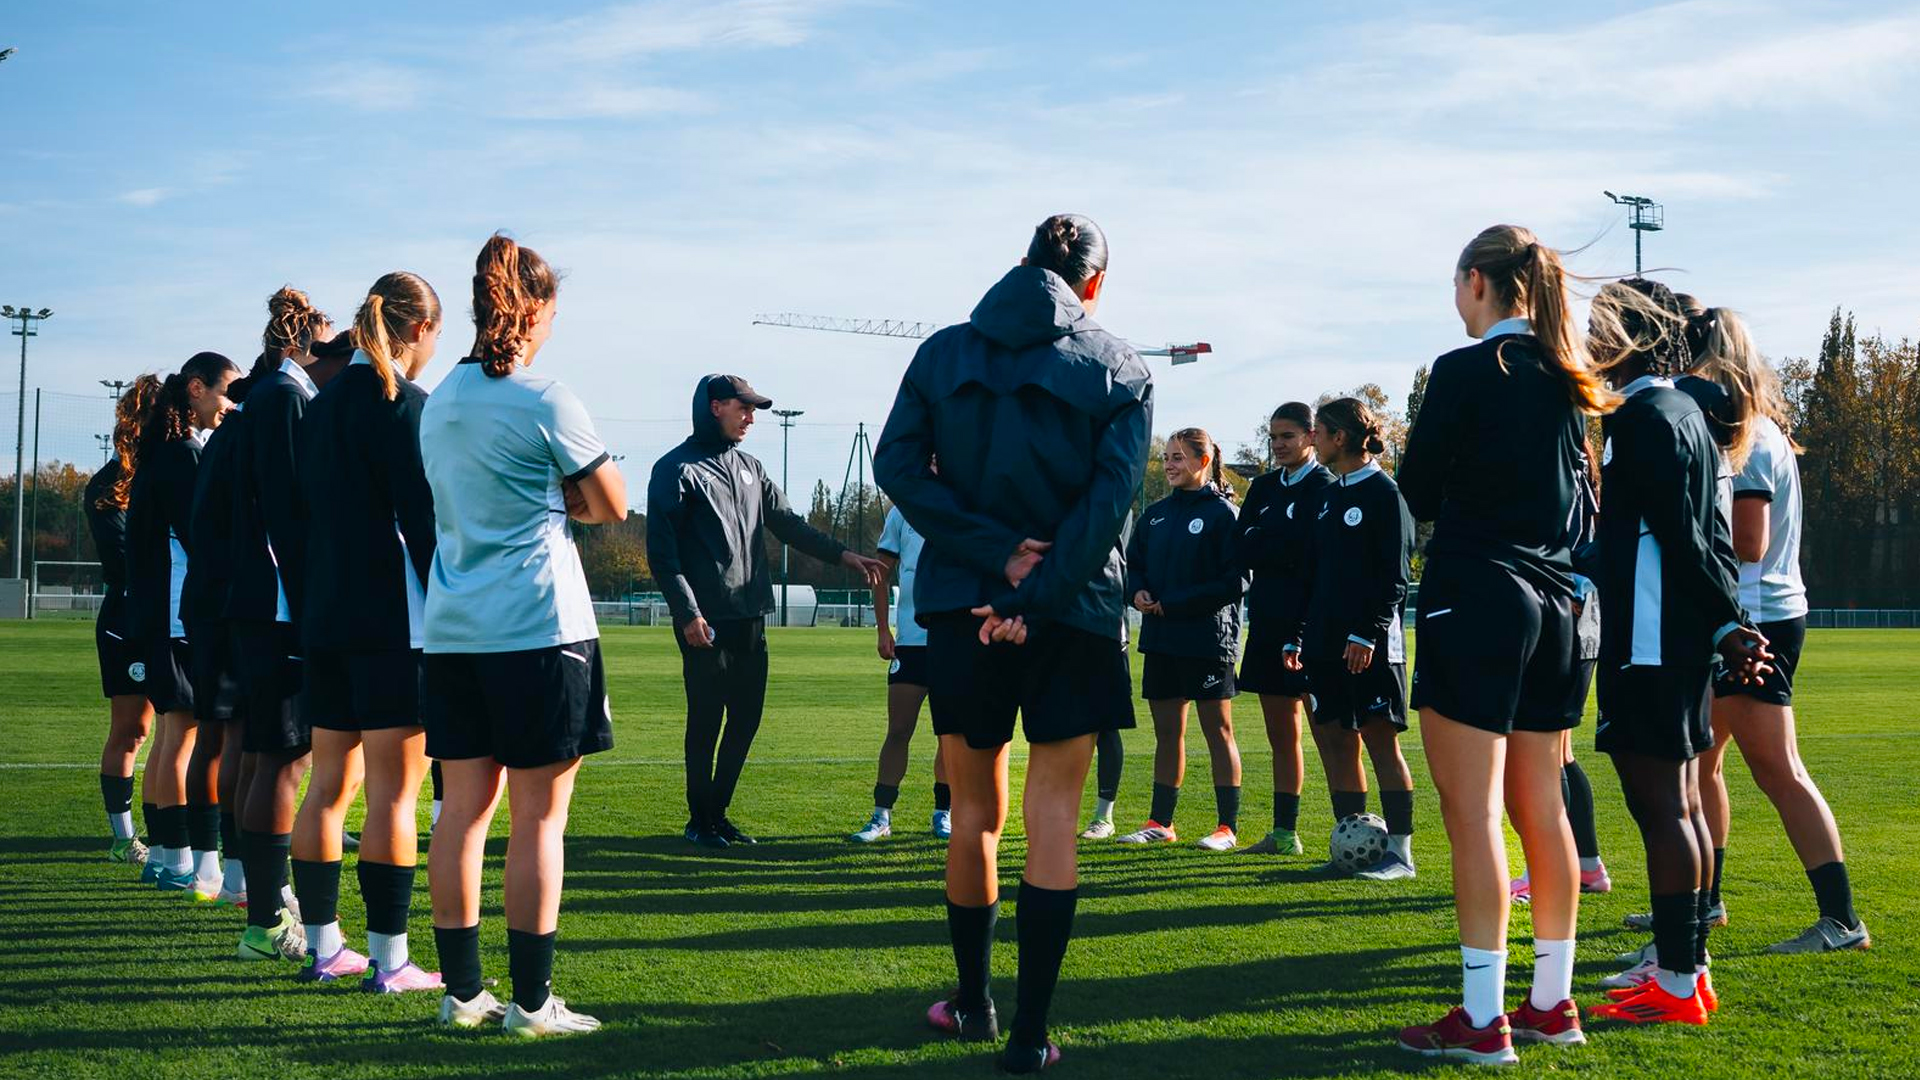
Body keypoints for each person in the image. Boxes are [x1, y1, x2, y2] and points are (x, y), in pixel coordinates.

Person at [875, 212, 1150, 1073]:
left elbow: (894, 468)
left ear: (1023, 262)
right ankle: (1029, 1034)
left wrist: (996, 563)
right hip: (1072, 612)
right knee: (1055, 816)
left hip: (966, 608)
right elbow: (1110, 505)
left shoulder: (942, 352)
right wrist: (1041, 589)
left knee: (974, 819)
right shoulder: (1120, 364)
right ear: (1094, 284)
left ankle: (974, 1004)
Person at [1394, 225, 1615, 1062]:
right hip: (1559, 607)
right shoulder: (1569, 379)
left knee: (1474, 815)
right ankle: (1551, 1005)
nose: (1455, 304)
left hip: (1480, 598)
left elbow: (1416, 492)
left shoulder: (1464, 370)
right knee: (1543, 808)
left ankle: (1482, 1019)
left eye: (1457, 287)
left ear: (1479, 282)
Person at [421, 233, 626, 1036]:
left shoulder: (440, 400)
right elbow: (609, 502)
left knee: (461, 814)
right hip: (540, 629)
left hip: (454, 632)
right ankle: (533, 1005)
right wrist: (566, 497)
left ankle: (463, 993)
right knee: (540, 819)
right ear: (534, 309)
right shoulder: (546, 396)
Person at [1581, 278, 1770, 1027]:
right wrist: (1723, 624)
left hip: (1651, 637)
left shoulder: (1645, 415)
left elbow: (1686, 539)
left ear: (1634, 335)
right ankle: (1682, 968)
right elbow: (1706, 539)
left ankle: (1681, 980)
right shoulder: (1688, 411)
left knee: (1662, 806)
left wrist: (1724, 624)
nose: (1591, 342)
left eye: (1600, 327)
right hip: (1674, 637)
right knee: (1682, 804)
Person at [1686, 304, 1867, 954]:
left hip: (1753, 620)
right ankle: (1703, 906)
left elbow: (1750, 542)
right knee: (1700, 767)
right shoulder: (1748, 429)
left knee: (1778, 770)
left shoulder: (1750, 436)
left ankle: (1842, 920)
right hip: (1748, 617)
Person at [288, 271, 446, 992]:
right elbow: (423, 526)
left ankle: (325, 948)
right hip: (393, 622)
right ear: (417, 330)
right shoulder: (404, 405)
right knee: (392, 797)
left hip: (324, 617)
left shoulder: (317, 407)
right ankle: (390, 961)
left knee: (326, 788)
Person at [648, 374, 886, 848]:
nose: (752, 418)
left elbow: (790, 525)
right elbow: (662, 553)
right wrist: (687, 612)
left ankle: (717, 815)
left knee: (746, 720)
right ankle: (701, 821)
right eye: (745, 408)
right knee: (706, 720)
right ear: (716, 407)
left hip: (752, 617)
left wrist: (845, 556)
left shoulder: (751, 468)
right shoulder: (675, 469)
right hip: (705, 621)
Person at [227, 286, 338, 963]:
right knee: (283, 757)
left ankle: (257, 894)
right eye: (323, 345)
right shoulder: (288, 400)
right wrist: (312, 602)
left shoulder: (265, 400)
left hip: (253, 599)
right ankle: (265, 920)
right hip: (277, 603)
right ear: (299, 345)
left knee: (263, 749)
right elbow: (292, 516)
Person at [1281, 398, 1417, 880]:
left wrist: (1368, 632)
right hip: (1322, 644)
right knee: (1338, 742)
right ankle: (1351, 844)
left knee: (1381, 742)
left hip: (1371, 645)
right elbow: (1314, 577)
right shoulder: (1328, 496)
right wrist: (1298, 636)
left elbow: (1395, 577)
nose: (1312, 439)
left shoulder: (1385, 494)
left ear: (1339, 438)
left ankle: (1400, 854)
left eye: (1318, 431)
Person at [123, 352, 241, 896]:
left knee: (173, 737)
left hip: (159, 615)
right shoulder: (184, 456)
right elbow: (202, 538)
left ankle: (168, 857)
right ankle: (178, 860)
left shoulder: (164, 452)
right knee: (183, 739)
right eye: (226, 391)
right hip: (175, 617)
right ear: (197, 389)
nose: (231, 403)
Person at [1114, 428, 1248, 851]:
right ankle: (1161, 822)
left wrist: (1175, 603)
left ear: (1204, 461)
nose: (1170, 464)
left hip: (1208, 640)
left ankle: (1227, 827)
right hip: (1161, 639)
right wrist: (1136, 593)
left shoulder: (1224, 514)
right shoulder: (1154, 514)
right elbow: (1131, 567)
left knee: (1217, 731)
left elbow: (1235, 581)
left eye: (1178, 457)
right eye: (1167, 457)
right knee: (1167, 733)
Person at [1512, 436, 1612, 902]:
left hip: (1564, 609)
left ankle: (1548, 871)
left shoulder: (1556, 468)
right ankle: (1586, 867)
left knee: (1540, 750)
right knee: (1559, 751)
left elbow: (1551, 547)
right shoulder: (1580, 467)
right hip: (1581, 609)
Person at [1231, 402, 1332, 856]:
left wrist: (1272, 543)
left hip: (1314, 626)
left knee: (1331, 735)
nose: (1278, 445)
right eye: (1272, 437)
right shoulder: (1264, 487)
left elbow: (1316, 556)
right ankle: (1285, 833)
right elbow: (1242, 548)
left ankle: (1353, 826)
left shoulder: (1326, 486)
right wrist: (1280, 546)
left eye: (1286, 436)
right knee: (1281, 736)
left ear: (1311, 437)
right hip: (1269, 624)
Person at [86, 375, 163, 868]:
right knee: (133, 730)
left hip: (173, 618)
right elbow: (124, 563)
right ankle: (123, 837)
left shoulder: (176, 469)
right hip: (129, 621)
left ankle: (174, 838)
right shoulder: (107, 485)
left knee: (179, 730)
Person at [850, 502, 952, 843]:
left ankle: (944, 813)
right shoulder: (903, 510)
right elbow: (881, 571)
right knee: (898, 729)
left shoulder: (964, 497)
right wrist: (883, 629)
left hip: (954, 639)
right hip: (910, 640)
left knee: (949, 734)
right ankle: (881, 816)